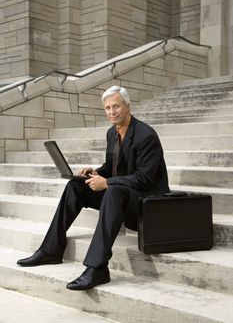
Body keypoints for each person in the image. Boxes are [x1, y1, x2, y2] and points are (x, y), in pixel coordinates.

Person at [17, 85, 170, 290]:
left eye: (116, 106)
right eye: (107, 108)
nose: (111, 112)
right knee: (75, 186)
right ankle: (51, 250)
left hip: (145, 204)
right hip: (122, 195)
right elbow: (113, 168)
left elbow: (145, 179)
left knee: (113, 190)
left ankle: (97, 269)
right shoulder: (112, 133)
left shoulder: (146, 136)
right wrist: (98, 172)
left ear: (128, 107)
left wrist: (107, 183)